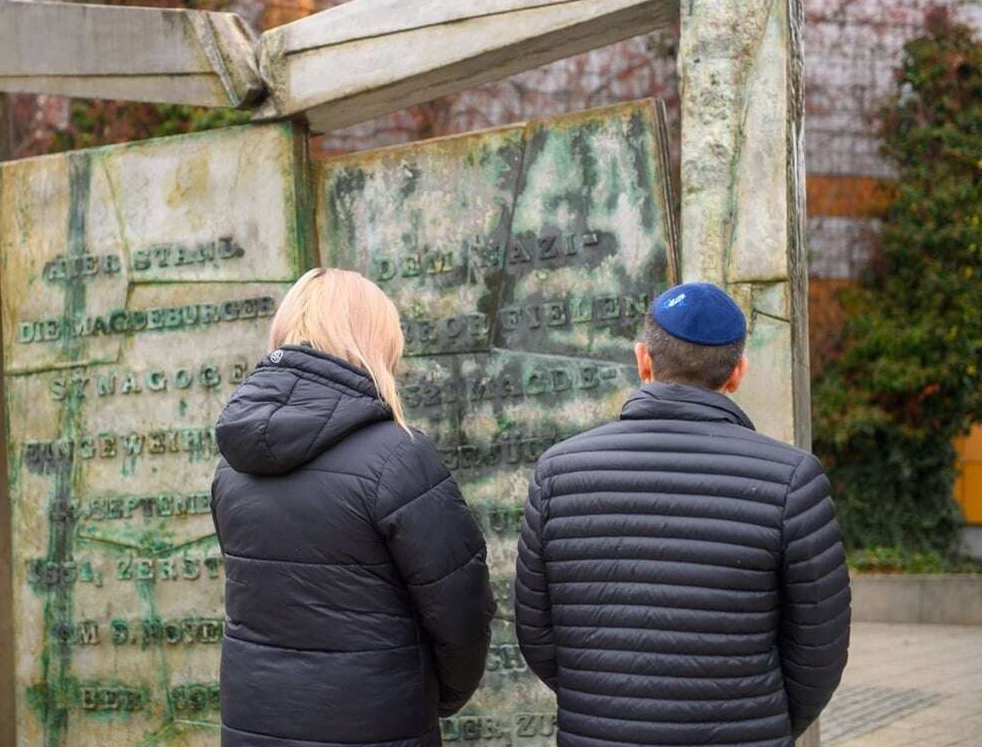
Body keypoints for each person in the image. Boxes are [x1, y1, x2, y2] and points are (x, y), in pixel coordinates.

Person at [516, 282, 851, 747]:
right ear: (737, 373)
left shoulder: (558, 471)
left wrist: (606, 708)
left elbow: (537, 633)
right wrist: (763, 722)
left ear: (643, 361)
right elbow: (820, 648)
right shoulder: (792, 477)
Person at [211, 267, 495, 747]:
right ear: (374, 339)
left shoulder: (231, 465)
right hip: (376, 723)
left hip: (256, 722)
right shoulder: (399, 456)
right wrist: (436, 695)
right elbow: (460, 609)